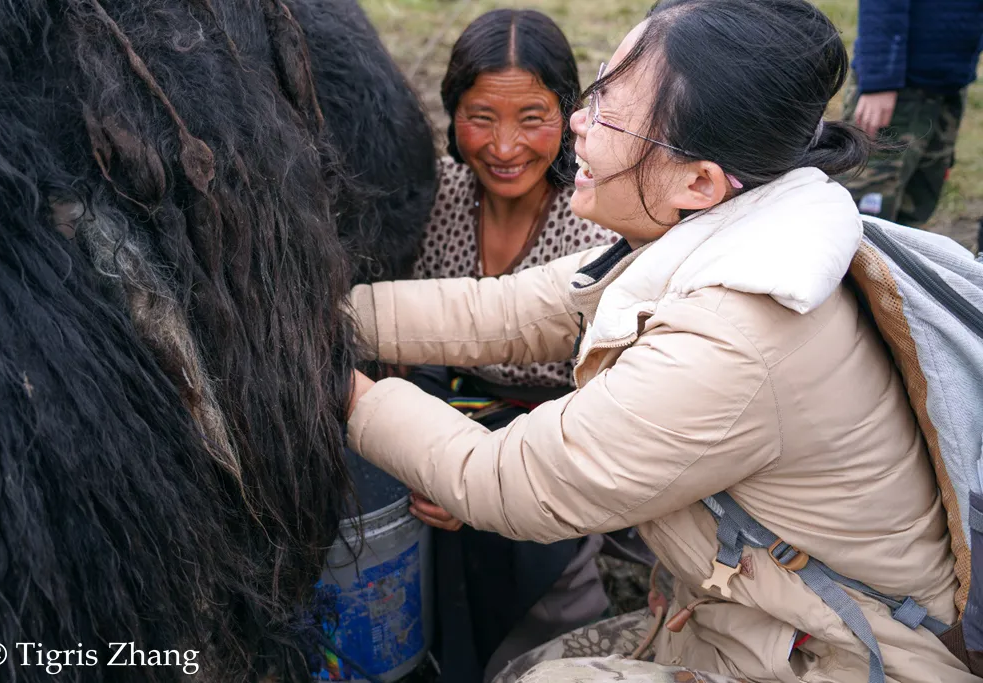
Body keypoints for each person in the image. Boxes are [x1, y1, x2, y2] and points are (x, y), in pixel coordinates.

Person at [345, 1, 976, 682]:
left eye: (611, 113)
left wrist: (330, 381)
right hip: (753, 614)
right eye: (600, 91)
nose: (578, 124)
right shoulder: (737, 225)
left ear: (698, 179)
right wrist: (320, 315)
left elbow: (510, 479)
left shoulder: (736, 337)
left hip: (845, 659)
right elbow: (513, 308)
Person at [400, 10, 617, 682]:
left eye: (532, 117)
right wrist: (426, 450)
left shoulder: (597, 224)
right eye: (480, 116)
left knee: (550, 627)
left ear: (571, 117)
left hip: (552, 450)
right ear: (451, 113)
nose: (504, 145)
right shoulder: (431, 200)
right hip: (439, 431)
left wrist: (485, 472)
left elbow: (607, 401)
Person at [841, 0, 983, 226]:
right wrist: (880, 79)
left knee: (917, 204)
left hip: (948, 83)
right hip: (896, 89)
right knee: (864, 211)